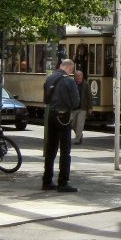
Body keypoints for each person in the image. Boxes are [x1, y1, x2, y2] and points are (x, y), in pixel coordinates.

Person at [42, 59, 80, 192]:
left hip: (51, 115)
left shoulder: (50, 78)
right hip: (63, 116)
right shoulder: (69, 81)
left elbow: (45, 99)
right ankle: (63, 182)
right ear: (70, 68)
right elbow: (75, 102)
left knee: (50, 149)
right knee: (65, 150)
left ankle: (47, 181)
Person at [71, 70, 93, 145]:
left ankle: (77, 140)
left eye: (78, 76)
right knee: (72, 124)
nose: (77, 77)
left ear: (82, 76)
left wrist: (90, 107)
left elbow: (89, 96)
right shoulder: (72, 84)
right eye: (76, 76)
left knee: (80, 124)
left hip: (82, 108)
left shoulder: (85, 84)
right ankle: (79, 135)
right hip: (73, 108)